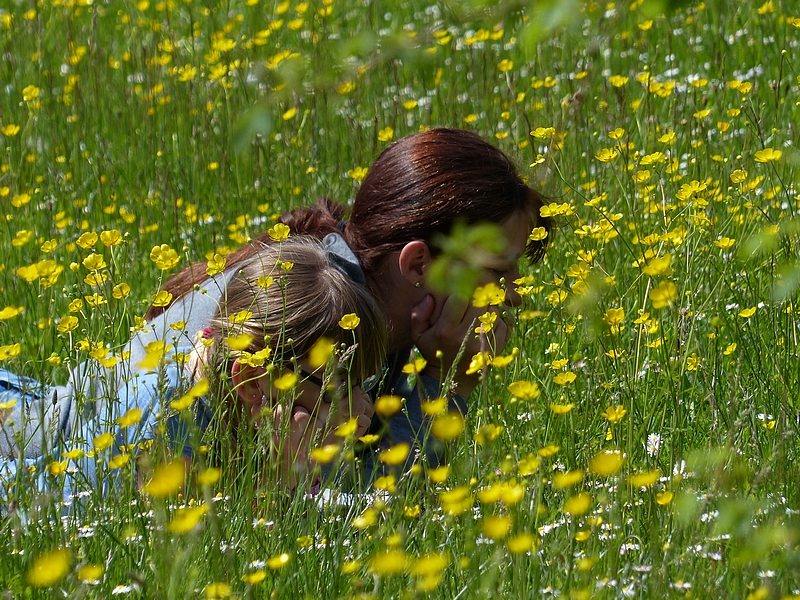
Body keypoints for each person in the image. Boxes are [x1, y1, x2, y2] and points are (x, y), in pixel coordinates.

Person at [146, 128, 551, 475]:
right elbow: (358, 523)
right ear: (418, 265)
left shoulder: (365, 305)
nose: (513, 293)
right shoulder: (306, 328)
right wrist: (448, 382)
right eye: (499, 271)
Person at [0, 236, 386, 499]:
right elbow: (192, 552)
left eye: (363, 381)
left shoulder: (260, 415)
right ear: (253, 382)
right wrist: (288, 473)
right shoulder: (170, 414)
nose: (362, 402)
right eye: (339, 384)